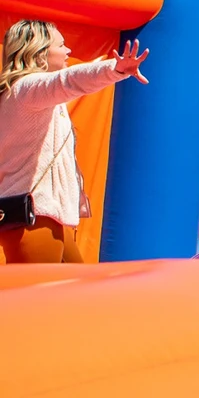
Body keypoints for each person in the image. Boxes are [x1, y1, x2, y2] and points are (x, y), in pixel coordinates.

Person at [0, 21, 149, 264]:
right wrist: (115, 69)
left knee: (75, 292)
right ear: (38, 53)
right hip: (34, 220)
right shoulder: (26, 89)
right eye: (61, 45)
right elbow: (68, 81)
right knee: (38, 299)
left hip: (45, 217)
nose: (68, 50)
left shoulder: (30, 96)